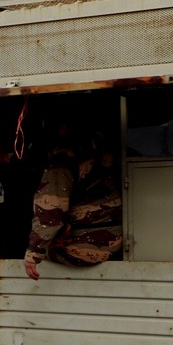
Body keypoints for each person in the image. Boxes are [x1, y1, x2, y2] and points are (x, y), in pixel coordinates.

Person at [23, 119, 122, 281]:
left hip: (88, 246)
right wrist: (7, 157)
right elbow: (36, 161)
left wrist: (33, 253)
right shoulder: (96, 143)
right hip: (113, 239)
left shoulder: (63, 158)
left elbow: (50, 214)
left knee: (31, 245)